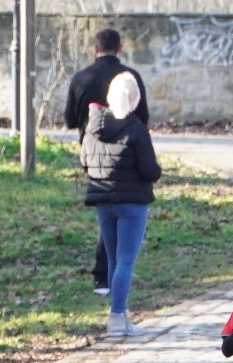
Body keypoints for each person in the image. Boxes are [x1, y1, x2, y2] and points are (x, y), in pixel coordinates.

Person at [64, 28, 149, 295]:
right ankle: (114, 283)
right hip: (126, 153)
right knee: (122, 215)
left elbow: (69, 119)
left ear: (94, 48)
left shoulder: (81, 78)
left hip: (93, 155)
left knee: (107, 213)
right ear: (120, 48)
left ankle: (103, 277)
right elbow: (143, 117)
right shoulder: (130, 77)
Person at [80, 73, 161, 340]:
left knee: (114, 260)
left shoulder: (93, 126)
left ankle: (122, 316)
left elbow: (84, 160)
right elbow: (149, 170)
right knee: (125, 261)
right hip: (132, 203)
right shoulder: (135, 128)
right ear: (134, 97)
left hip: (104, 201)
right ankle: (116, 318)